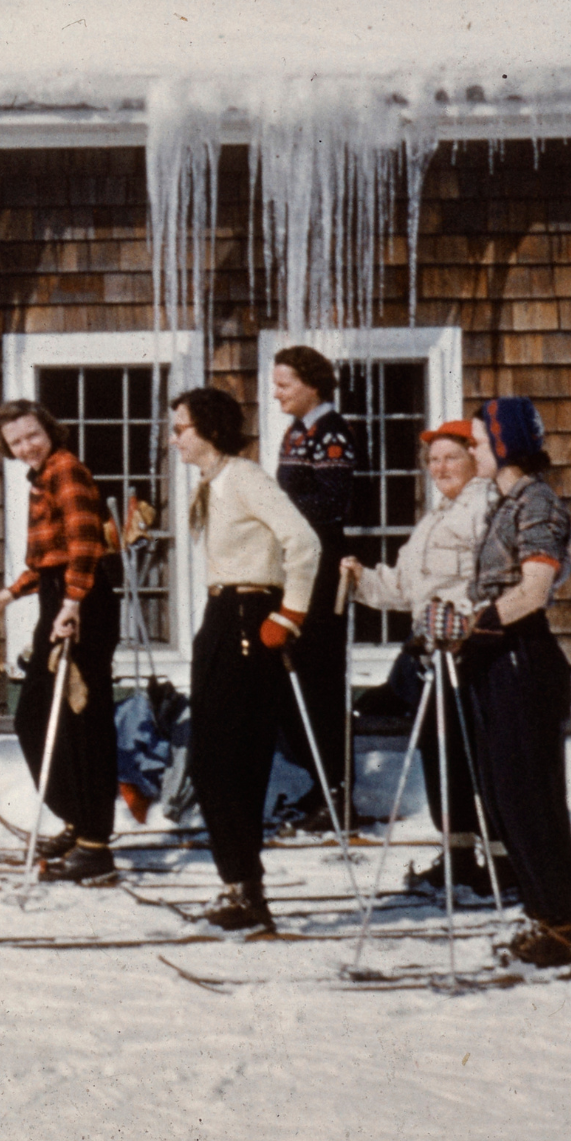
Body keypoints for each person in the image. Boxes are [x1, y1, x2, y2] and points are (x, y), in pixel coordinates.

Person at [441, 397, 571, 970]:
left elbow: (533, 589)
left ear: (504, 445)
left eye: (478, 442)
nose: (472, 451)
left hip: (524, 660)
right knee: (505, 796)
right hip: (495, 659)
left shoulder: (537, 501)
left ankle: (562, 927)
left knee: (531, 798)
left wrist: (474, 624)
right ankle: (540, 915)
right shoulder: (505, 502)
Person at [169, 386, 321, 933]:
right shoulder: (215, 483)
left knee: (231, 759)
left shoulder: (247, 477)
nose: (174, 439)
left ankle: (246, 891)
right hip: (220, 618)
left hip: (248, 618)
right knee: (210, 761)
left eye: (181, 427)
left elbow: (303, 543)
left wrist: (291, 614)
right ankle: (237, 882)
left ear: (208, 428)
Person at [0, 400, 124, 883]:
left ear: (49, 430)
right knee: (38, 714)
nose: (26, 446)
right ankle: (78, 822)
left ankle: (95, 845)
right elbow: (46, 563)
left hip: (83, 601)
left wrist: (74, 603)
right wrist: (6, 596)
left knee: (81, 719)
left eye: (32, 435)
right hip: (62, 596)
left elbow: (84, 545)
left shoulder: (67, 471)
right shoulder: (41, 478)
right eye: (16, 442)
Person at [341, 421, 498, 896]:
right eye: (433, 459)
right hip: (430, 656)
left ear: (475, 459)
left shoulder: (487, 508)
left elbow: (496, 581)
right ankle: (456, 856)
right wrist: (362, 580)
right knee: (440, 755)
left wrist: (468, 623)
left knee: (474, 759)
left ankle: (504, 862)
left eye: (451, 457)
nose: (439, 467)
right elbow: (409, 588)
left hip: (468, 654)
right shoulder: (438, 516)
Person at [269, 344, 361, 833]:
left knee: (321, 681)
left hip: (323, 569)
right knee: (297, 678)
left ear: (312, 384)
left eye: (285, 384)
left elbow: (328, 506)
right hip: (299, 564)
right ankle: (320, 782)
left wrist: (273, 511)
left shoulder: (332, 433)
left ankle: (340, 793)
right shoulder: (297, 432)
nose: (277, 392)